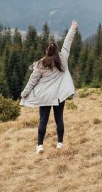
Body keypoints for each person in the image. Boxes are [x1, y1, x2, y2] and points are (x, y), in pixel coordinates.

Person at [20, 20, 78, 154]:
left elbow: (32, 81)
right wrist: (72, 28)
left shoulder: (41, 64)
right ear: (57, 51)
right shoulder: (63, 59)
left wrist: (24, 93)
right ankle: (60, 144)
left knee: (43, 121)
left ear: (47, 51)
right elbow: (67, 43)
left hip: (45, 97)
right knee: (59, 120)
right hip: (59, 96)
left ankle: (40, 146)